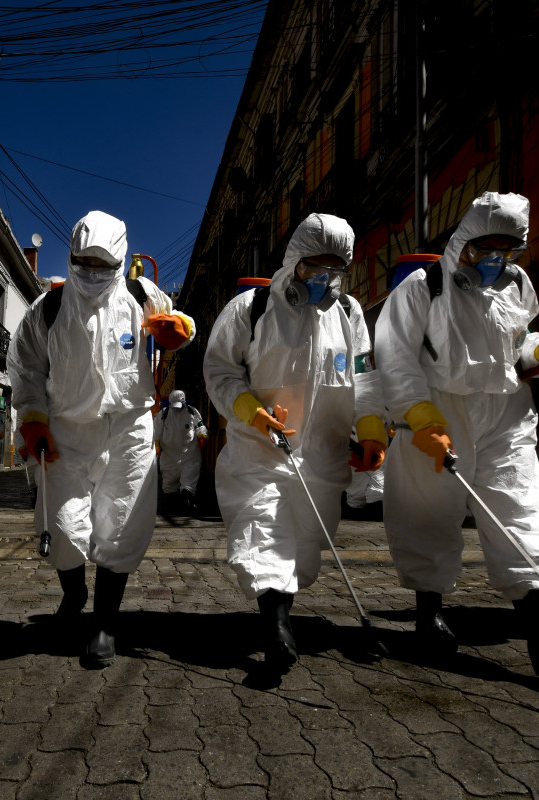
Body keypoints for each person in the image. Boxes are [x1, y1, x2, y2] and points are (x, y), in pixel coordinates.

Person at [375, 191, 539, 675]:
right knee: (429, 514)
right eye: (485, 248)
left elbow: (516, 345)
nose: (494, 260)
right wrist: (420, 420)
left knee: (522, 511)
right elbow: (395, 358)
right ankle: (429, 615)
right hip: (437, 410)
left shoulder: (518, 284)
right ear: (464, 240)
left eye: (507, 251)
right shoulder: (425, 286)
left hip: (505, 413)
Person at [8, 210, 196, 668]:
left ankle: (105, 623)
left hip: (129, 429)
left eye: (103, 266)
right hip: (67, 432)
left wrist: (181, 332)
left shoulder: (140, 294)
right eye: (84, 263)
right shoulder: (47, 308)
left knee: (121, 525)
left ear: (121, 262)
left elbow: (177, 322)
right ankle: (74, 595)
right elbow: (26, 368)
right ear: (70, 256)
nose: (93, 274)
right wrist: (32, 418)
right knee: (65, 531)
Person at [202, 213, 386, 671]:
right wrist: (248, 409)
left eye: (334, 272)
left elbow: (365, 378)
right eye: (313, 269)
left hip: (321, 455)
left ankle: (282, 604)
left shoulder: (348, 315)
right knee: (264, 529)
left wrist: (370, 431)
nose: (322, 281)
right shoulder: (252, 307)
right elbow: (221, 370)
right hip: (259, 449)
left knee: (304, 548)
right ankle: (276, 627)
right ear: (293, 262)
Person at [153, 389, 207, 515]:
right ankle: (171, 505)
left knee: (189, 480)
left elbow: (200, 426)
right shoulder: (163, 414)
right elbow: (155, 432)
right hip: (169, 455)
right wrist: (156, 445)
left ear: (183, 401)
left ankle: (187, 500)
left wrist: (202, 436)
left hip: (189, 453)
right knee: (169, 484)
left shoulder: (191, 412)